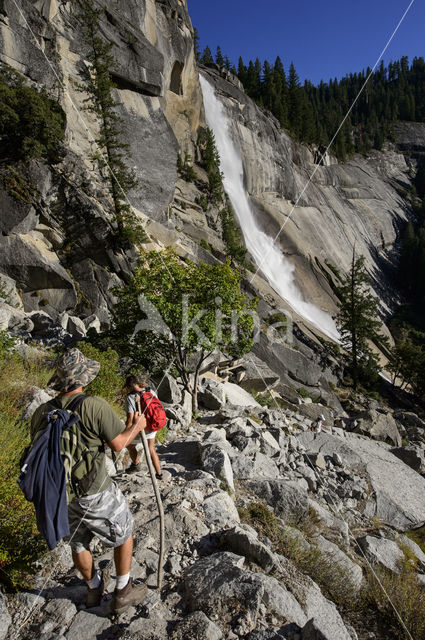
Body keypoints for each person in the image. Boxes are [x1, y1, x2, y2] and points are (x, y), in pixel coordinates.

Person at [30, 348, 148, 614]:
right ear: (83, 378)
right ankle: (122, 591)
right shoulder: (93, 405)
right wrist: (137, 427)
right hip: (95, 490)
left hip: (61, 495)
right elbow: (119, 445)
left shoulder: (41, 412)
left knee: (78, 542)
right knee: (124, 531)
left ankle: (94, 588)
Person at [124, 373, 162, 480]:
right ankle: (159, 474)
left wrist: (125, 433)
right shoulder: (150, 391)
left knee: (129, 446)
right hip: (153, 423)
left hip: (141, 425)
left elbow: (130, 419)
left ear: (128, 386)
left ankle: (136, 464)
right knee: (150, 449)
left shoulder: (130, 397)